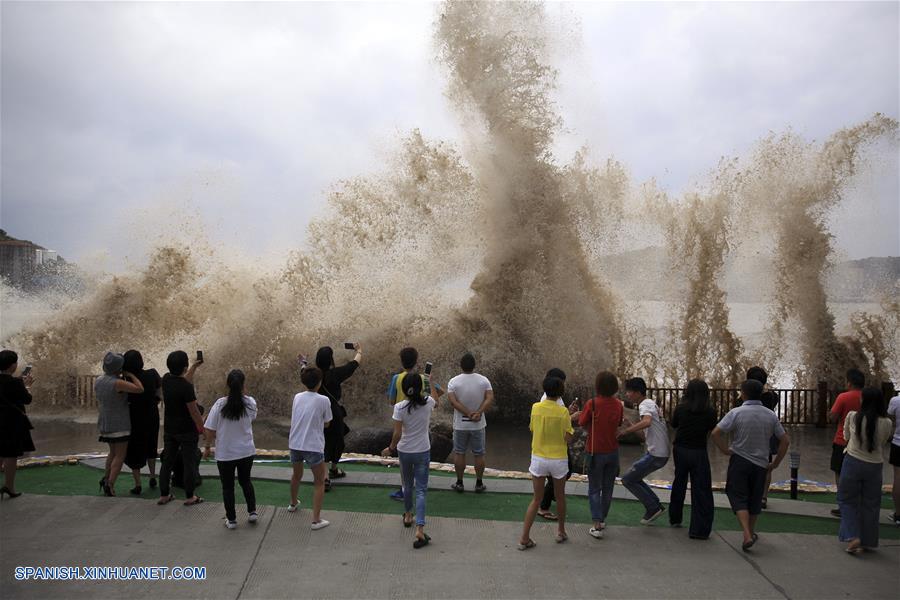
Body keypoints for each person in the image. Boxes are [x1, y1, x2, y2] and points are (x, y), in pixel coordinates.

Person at [712, 379, 790, 552]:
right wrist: (775, 464)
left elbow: (716, 433)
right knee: (755, 498)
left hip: (739, 460)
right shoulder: (770, 415)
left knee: (737, 495)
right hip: (761, 463)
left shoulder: (736, 412)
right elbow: (785, 441)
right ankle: (751, 531)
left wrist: (725, 450)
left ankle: (746, 533)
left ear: (743, 393)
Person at [381, 370, 439, 548]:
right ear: (421, 388)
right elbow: (436, 400)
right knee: (421, 490)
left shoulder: (399, 408)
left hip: (404, 451)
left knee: (407, 484)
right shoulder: (428, 402)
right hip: (422, 450)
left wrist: (390, 448)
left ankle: (407, 515)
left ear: (405, 389)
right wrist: (430, 381)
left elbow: (397, 433)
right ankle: (420, 529)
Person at [518, 375, 573, 550]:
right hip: (558, 459)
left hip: (539, 459)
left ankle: (524, 538)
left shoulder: (535, 408)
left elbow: (532, 429)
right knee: (561, 496)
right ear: (560, 393)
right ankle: (561, 531)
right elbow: (568, 437)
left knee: (536, 499)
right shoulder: (563, 412)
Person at [837, 386, 893, 553]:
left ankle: (853, 536)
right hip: (875, 465)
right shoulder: (887, 422)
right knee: (871, 504)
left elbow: (846, 437)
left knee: (846, 500)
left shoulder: (853, 416)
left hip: (853, 461)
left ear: (864, 400)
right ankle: (868, 540)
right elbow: (883, 442)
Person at [203, 370, 258, 530]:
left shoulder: (219, 404)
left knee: (228, 487)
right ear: (243, 385)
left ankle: (232, 520)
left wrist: (207, 447)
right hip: (246, 451)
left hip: (225, 454)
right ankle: (252, 512)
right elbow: (252, 418)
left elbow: (210, 430)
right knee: (246, 481)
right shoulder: (250, 403)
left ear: (227, 385)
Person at [386, 346, 443, 500]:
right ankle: (418, 490)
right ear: (417, 361)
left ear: (401, 361)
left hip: (403, 421)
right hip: (420, 422)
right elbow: (440, 392)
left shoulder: (396, 379)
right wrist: (426, 390)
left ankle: (405, 490)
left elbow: (391, 401)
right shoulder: (423, 379)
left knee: (405, 463)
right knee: (420, 460)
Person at [577, 370, 624, 539]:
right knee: (608, 487)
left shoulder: (592, 403)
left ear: (598, 386)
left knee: (594, 488)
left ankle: (596, 525)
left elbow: (581, 422)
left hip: (595, 451)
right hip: (613, 451)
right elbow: (618, 423)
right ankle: (602, 519)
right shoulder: (619, 404)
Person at [669, 379, 717, 539]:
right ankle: (699, 529)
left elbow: (674, 424)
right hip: (699, 451)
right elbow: (713, 429)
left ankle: (675, 518)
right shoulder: (710, 411)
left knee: (679, 482)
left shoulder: (681, 408)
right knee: (701, 489)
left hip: (681, 449)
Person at [157, 350, 207, 506]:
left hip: (170, 430)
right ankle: (190, 496)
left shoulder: (165, 380)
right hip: (187, 431)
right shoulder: (186, 388)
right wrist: (203, 429)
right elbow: (194, 412)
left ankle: (164, 495)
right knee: (189, 463)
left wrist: (194, 367)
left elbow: (183, 380)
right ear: (184, 367)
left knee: (167, 462)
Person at [618, 377, 670, 524]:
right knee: (633, 478)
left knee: (628, 479)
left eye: (628, 391)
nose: (627, 395)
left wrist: (626, 431)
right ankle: (655, 505)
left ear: (637, 392)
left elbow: (646, 422)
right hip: (658, 452)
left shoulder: (645, 404)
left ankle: (653, 507)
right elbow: (643, 436)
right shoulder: (650, 404)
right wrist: (631, 423)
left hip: (657, 454)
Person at [288, 366, 332, 530]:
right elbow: (327, 423)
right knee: (319, 482)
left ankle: (293, 503)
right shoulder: (323, 400)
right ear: (320, 383)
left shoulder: (297, 397)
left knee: (296, 475)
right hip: (313, 445)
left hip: (295, 443)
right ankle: (316, 520)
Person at [95, 352, 144, 497]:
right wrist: (131, 375)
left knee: (112, 453)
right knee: (120, 456)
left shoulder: (99, 380)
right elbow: (140, 389)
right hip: (119, 424)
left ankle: (106, 478)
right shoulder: (118, 383)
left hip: (105, 422)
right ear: (119, 368)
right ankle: (109, 485)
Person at [316, 344, 362, 491]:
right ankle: (331, 472)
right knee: (338, 441)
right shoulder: (334, 374)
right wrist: (359, 350)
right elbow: (354, 364)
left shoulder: (313, 374)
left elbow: (303, 372)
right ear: (330, 359)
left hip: (316, 411)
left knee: (321, 442)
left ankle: (325, 475)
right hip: (333, 412)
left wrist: (302, 363)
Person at [446, 352, 493, 493]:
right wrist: (478, 412)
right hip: (478, 424)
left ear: (461, 366)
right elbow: (489, 398)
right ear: (474, 365)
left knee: (459, 453)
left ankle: (459, 483)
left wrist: (467, 413)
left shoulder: (453, 381)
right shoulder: (483, 380)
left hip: (460, 424)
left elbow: (453, 402)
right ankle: (479, 483)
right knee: (479, 454)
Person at [537, 367, 577, 520]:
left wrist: (568, 411)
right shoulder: (546, 400)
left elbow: (557, 414)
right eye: (562, 383)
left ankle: (549, 496)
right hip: (555, 444)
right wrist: (572, 416)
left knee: (560, 474)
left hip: (552, 444)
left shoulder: (555, 398)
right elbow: (555, 422)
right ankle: (544, 505)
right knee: (562, 473)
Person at [122, 350, 162, 495]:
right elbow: (159, 391)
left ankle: (138, 483)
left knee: (134, 448)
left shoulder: (125, 380)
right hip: (152, 415)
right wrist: (156, 401)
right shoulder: (152, 374)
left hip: (134, 417)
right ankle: (152, 476)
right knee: (151, 445)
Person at [829, 368, 865, 517]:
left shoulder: (843, 397)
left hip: (842, 440)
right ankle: (859, 504)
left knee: (840, 473)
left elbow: (833, 417)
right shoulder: (868, 397)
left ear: (849, 382)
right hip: (863, 441)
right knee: (859, 474)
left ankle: (843, 504)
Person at [0, 350, 35, 499]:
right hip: (11, 422)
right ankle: (9, 486)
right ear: (13, 365)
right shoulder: (15, 383)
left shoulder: (12, 382)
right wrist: (26, 386)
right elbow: (27, 399)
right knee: (10, 455)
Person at [746, 366, 779, 509]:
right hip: (768, 434)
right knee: (766, 466)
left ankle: (749, 494)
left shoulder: (746, 397)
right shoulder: (771, 396)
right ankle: (763, 497)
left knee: (747, 463)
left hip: (750, 434)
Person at [887, 393, 900, 525]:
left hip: (898, 443)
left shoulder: (896, 401)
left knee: (898, 477)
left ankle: (899, 514)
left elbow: (890, 420)